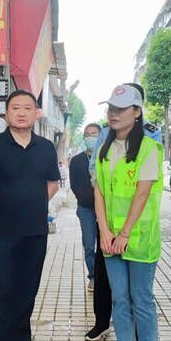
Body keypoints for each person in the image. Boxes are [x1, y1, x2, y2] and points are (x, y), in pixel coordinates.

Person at [0, 90, 61, 341]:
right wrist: (4, 209)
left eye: (27, 108)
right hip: (5, 230)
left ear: (36, 113)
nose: (21, 113)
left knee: (29, 286)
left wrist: (32, 206)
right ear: (6, 112)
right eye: (15, 108)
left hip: (36, 229)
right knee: (8, 289)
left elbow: (53, 184)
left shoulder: (46, 148)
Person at [93, 84, 163, 341]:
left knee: (140, 299)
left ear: (136, 112)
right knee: (120, 299)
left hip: (139, 238)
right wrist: (104, 231)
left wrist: (123, 234)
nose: (114, 114)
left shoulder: (149, 149)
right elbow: (99, 193)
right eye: (111, 108)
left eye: (121, 109)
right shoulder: (104, 150)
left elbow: (142, 194)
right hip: (111, 239)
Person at [70, 123, 102, 292]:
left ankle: (105, 277)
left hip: (105, 209)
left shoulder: (106, 158)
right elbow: (74, 184)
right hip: (86, 209)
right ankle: (93, 276)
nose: (91, 138)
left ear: (101, 136)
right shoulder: (76, 161)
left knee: (105, 245)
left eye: (94, 134)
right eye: (87, 135)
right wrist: (83, 197)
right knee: (89, 245)